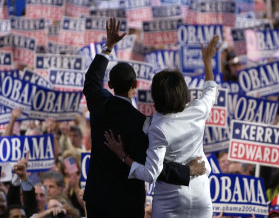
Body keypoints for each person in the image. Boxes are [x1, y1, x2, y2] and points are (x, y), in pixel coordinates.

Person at [83, 18, 206, 218]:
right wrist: (187, 171)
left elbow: (92, 81)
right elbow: (155, 167)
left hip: (97, 200)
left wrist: (108, 47)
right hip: (127, 205)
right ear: (136, 84)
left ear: (111, 85)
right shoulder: (143, 123)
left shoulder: (99, 104)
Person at [105, 35, 220, 217]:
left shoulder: (158, 128)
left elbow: (150, 174)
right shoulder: (198, 110)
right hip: (200, 192)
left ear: (156, 97)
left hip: (171, 199)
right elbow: (211, 91)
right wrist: (207, 61)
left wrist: (123, 156)